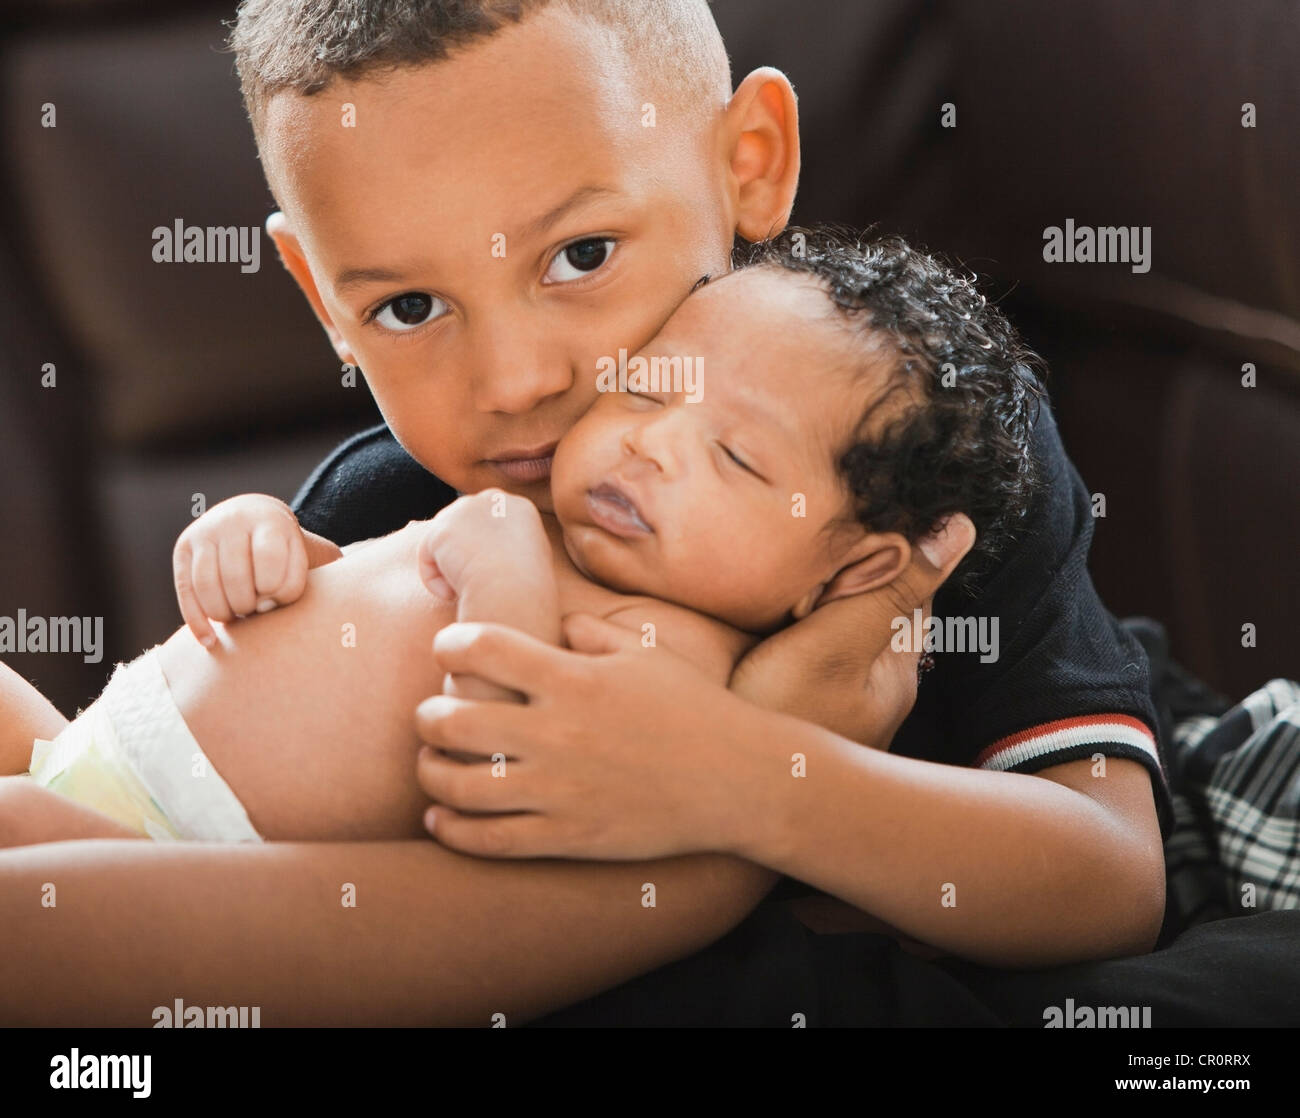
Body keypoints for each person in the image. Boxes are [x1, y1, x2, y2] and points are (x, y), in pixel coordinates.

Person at [0, 0, 1169, 1025]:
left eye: (580, 255)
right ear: (322, 300)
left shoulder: (919, 443)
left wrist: (747, 778)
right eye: (407, 308)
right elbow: (224, 887)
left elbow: (1111, 879)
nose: (514, 382)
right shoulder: (384, 514)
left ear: (747, 164)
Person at [9, 231, 1040, 850]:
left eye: (735, 457)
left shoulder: (675, 658)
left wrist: (495, 551)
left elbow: (503, 753)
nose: (647, 444)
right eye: (643, 386)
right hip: (97, 742)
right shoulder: (536, 519)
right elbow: (349, 612)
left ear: (851, 568)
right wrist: (263, 538)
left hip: (161, 839)